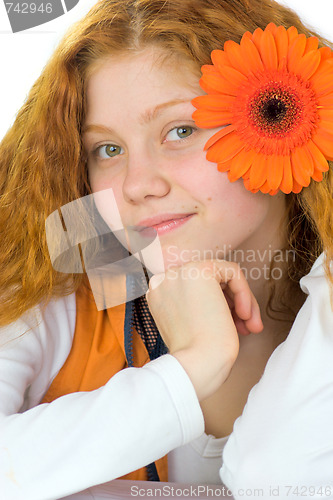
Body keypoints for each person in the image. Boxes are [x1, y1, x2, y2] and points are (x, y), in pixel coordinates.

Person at [0, 0, 333, 499]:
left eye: (180, 131)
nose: (136, 185)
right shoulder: (63, 262)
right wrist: (192, 366)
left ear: (283, 121)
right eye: (108, 150)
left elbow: (283, 480)